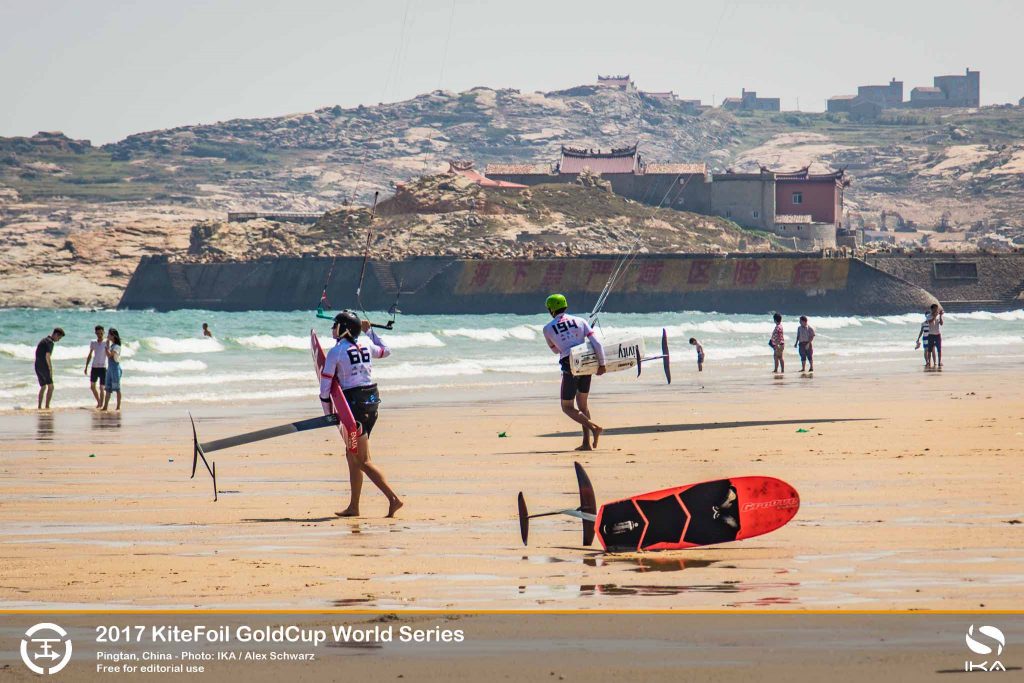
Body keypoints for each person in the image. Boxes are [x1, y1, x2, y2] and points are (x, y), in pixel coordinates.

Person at [319, 310, 403, 518]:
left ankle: (394, 499)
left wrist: (328, 412)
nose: (332, 329)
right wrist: (370, 331)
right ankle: (354, 506)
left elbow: (326, 385)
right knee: (352, 455)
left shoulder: (336, 352)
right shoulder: (366, 344)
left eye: (335, 325)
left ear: (344, 329)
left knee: (362, 460)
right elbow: (386, 351)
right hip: (371, 403)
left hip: (354, 408)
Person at [542, 293, 606, 451]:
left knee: (567, 407)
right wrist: (602, 364)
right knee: (582, 406)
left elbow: (556, 351)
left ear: (551, 310)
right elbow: (596, 343)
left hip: (569, 365)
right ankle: (586, 443)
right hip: (586, 364)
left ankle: (594, 427)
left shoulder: (548, 328)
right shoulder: (581, 321)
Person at [35, 327, 64, 409]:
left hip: (37, 365)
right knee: (51, 387)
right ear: (55, 334)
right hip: (44, 366)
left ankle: (39, 406)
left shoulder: (43, 340)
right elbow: (47, 356)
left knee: (43, 386)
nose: (59, 340)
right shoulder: (50, 342)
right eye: (59, 337)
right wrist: (50, 369)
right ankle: (47, 406)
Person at [84, 325, 108, 408]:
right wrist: (86, 366)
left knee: (102, 388)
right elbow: (90, 355)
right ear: (95, 333)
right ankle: (99, 402)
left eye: (101, 333)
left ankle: (101, 405)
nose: (99, 335)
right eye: (98, 333)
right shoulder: (93, 342)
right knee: (92, 386)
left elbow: (109, 354)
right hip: (94, 367)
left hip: (103, 368)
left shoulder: (106, 342)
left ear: (103, 332)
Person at [101, 328, 123, 411]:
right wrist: (107, 346)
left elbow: (110, 355)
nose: (107, 336)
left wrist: (106, 346)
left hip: (115, 369)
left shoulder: (117, 346)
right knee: (108, 388)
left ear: (113, 336)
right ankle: (105, 407)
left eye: (109, 334)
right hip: (110, 369)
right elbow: (108, 355)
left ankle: (118, 407)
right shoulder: (112, 346)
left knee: (117, 389)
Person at [927, 303, 944, 368]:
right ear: (932, 309)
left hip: (937, 335)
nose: (936, 310)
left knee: (939, 349)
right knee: (929, 350)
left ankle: (939, 362)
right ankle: (929, 362)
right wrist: (935, 316)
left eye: (937, 309)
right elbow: (930, 322)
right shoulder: (928, 315)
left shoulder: (938, 316)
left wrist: (940, 316)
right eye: (935, 309)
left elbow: (941, 324)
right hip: (930, 335)